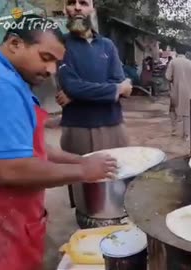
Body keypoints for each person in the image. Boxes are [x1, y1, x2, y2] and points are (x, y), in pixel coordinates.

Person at [0, 14, 118, 270]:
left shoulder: (7, 77)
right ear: (15, 44)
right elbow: (9, 168)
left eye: (57, 63)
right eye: (45, 58)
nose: (50, 71)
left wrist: (81, 160)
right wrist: (83, 171)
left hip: (8, 219)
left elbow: (32, 147)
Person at [55, 0, 132, 208]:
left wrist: (78, 94)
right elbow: (72, 85)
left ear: (92, 10)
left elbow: (121, 81)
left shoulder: (107, 45)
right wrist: (114, 90)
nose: (77, 7)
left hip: (113, 125)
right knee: (87, 194)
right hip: (78, 129)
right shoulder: (60, 45)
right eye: (72, 3)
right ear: (65, 10)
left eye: (84, 3)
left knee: (118, 186)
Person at [165, 48, 191, 139]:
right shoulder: (190, 63)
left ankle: (174, 130)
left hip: (175, 90)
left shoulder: (173, 62)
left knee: (173, 110)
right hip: (187, 91)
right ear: (186, 53)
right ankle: (186, 135)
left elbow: (167, 76)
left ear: (177, 52)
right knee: (187, 112)